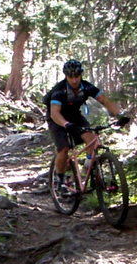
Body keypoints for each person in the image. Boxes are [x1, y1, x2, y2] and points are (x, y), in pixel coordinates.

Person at [44, 59, 130, 192]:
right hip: (57, 118)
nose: (74, 80)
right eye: (70, 77)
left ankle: (85, 173)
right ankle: (59, 180)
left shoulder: (87, 87)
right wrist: (66, 124)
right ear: (66, 76)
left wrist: (119, 116)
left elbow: (105, 101)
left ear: (81, 75)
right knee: (64, 148)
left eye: (76, 76)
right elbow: (55, 113)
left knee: (92, 142)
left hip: (75, 116)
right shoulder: (59, 90)